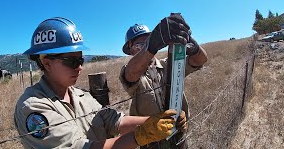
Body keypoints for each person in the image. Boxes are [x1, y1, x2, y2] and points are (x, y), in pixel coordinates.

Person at [14, 17, 187, 148]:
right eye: (71, 61)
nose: (79, 68)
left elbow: (114, 121)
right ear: (46, 63)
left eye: (80, 60)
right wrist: (139, 137)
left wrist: (159, 120)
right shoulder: (33, 107)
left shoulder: (81, 96)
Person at [120, 13, 208, 149]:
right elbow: (130, 75)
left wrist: (193, 45)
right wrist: (149, 47)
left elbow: (200, 60)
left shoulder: (170, 65)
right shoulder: (133, 72)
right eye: (139, 46)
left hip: (179, 135)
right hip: (151, 143)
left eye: (147, 42)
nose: (143, 48)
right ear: (130, 49)